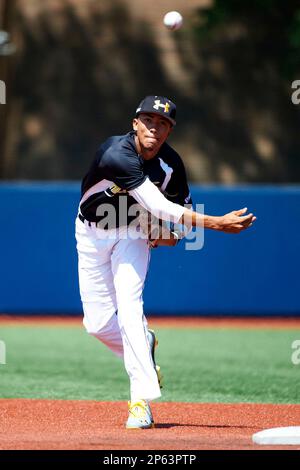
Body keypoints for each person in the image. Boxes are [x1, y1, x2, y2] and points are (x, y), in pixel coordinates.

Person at [75, 95, 256, 429]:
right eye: (148, 121)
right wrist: (215, 223)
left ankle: (140, 402)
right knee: (97, 324)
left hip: (133, 233)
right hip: (92, 232)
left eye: (162, 124)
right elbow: (158, 205)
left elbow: (177, 219)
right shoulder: (116, 153)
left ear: (169, 130)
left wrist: (171, 235)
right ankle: (144, 343)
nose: (153, 128)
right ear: (135, 124)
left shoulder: (171, 166)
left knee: (130, 310)